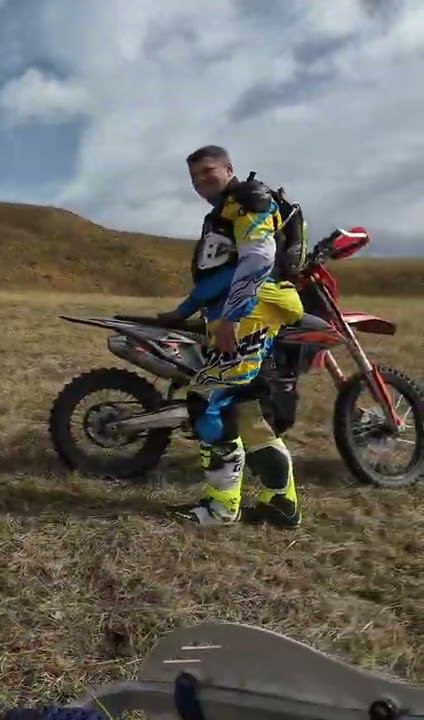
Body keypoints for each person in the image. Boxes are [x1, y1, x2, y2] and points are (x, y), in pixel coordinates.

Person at [160, 145, 306, 528]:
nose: (200, 182)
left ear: (228, 168)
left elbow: (258, 258)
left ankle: (221, 509)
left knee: (206, 400)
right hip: (246, 310)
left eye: (208, 171)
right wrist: (185, 310)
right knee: (248, 414)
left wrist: (231, 317)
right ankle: (281, 504)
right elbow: (222, 273)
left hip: (249, 313)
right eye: (194, 177)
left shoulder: (247, 201)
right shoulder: (225, 211)